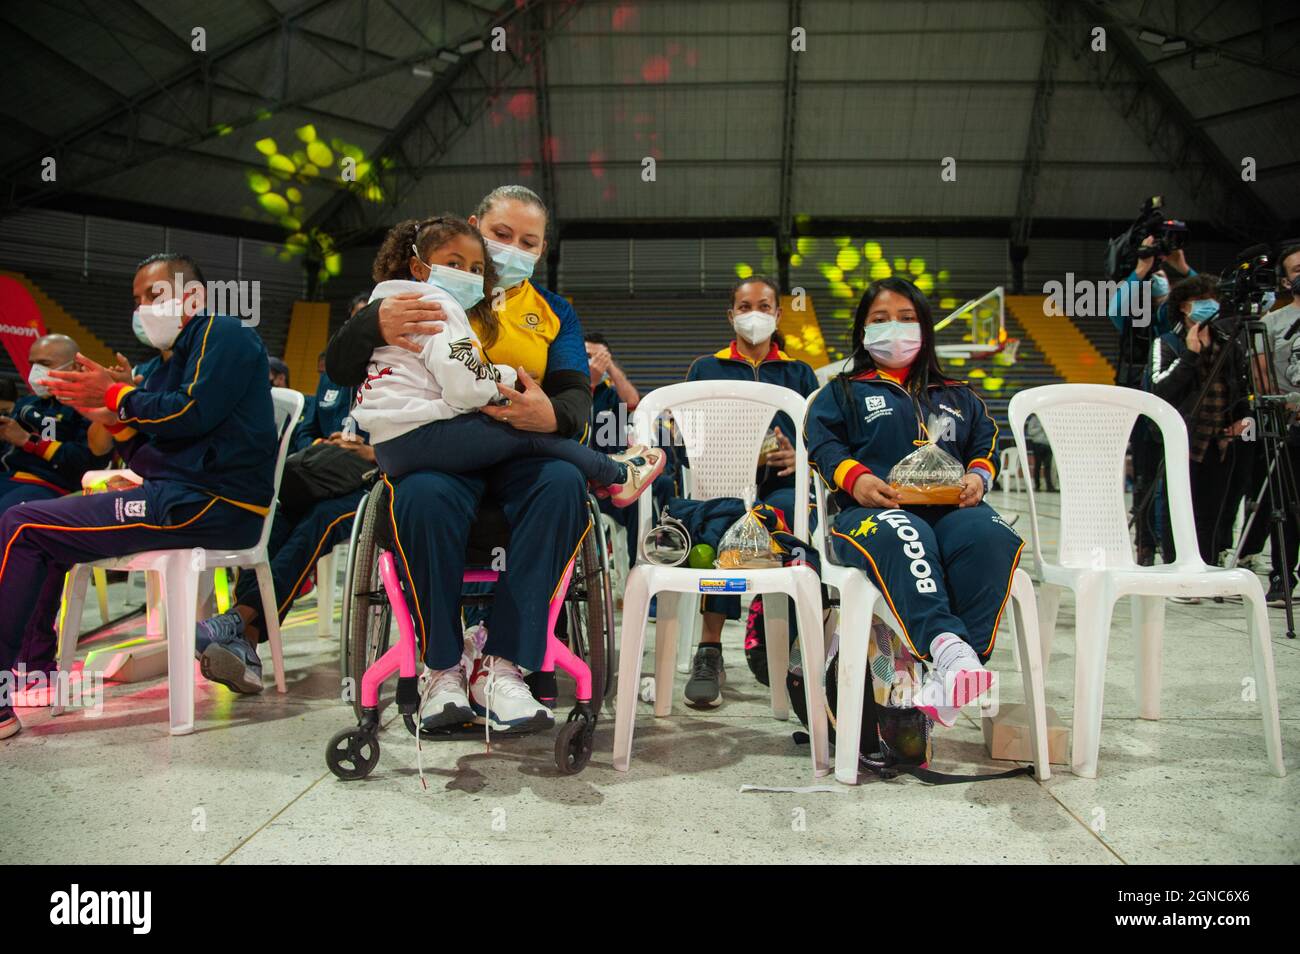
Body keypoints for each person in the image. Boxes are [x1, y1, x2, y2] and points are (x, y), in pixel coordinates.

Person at [325, 185, 597, 733]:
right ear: (475, 226)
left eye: (529, 242)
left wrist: (550, 416)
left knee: (565, 481)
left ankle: (502, 665)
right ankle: (441, 667)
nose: (511, 250)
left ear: (541, 251)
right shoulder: (422, 291)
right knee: (423, 497)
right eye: (500, 235)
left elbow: (573, 397)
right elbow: (339, 367)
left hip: (520, 450)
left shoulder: (553, 312)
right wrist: (369, 324)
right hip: (441, 452)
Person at [0, 253, 276, 740]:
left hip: (212, 505)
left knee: (23, 527)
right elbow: (144, 449)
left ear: (193, 295)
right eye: (137, 299)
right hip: (172, 497)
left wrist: (116, 397)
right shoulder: (158, 365)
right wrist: (107, 413)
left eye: (154, 295)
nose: (143, 307)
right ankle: (34, 666)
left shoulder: (224, 334)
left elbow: (191, 412)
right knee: (28, 523)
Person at [804, 276, 1020, 726]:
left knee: (992, 536)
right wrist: (856, 479)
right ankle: (950, 650)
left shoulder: (957, 394)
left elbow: (986, 442)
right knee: (909, 534)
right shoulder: (842, 392)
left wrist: (979, 476)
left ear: (924, 328)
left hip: (953, 511)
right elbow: (822, 445)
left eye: (906, 319)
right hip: (873, 514)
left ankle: (955, 671)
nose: (894, 329)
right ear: (862, 331)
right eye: (880, 320)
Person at [679, 276, 818, 707]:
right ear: (731, 315)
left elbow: (822, 440)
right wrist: (746, 455)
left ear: (777, 314)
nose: (753, 314)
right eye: (743, 306)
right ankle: (710, 649)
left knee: (788, 514)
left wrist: (802, 458)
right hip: (725, 487)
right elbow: (689, 448)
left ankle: (789, 638)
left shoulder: (798, 373)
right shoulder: (705, 369)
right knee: (728, 520)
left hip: (781, 494)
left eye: (763, 305)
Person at [1, 334, 110, 684]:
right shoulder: (26, 404)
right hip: (11, 480)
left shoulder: (84, 410)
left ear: (72, 365)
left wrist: (31, 442)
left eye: (44, 364)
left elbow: (87, 463)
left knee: (18, 529)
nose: (34, 370)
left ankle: (31, 658)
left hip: (56, 492)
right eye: (32, 361)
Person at [1149, 275, 1253, 580]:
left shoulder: (1228, 344)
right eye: (1203, 300)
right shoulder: (1168, 343)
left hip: (1219, 442)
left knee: (1213, 509)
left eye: (1214, 300)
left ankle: (1204, 568)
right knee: (1178, 509)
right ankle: (1175, 567)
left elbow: (1240, 385)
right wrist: (1190, 355)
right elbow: (1160, 390)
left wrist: (1243, 418)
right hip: (1183, 441)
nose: (1211, 306)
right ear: (1184, 306)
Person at [1109, 235, 1198, 565]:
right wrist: (1141, 270)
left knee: (1183, 476)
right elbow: (1116, 311)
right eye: (1155, 278)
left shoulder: (1174, 320)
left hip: (1185, 398)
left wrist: (1182, 268)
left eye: (1163, 278)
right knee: (1147, 475)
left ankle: (1188, 545)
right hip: (1140, 396)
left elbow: (1207, 299)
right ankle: (1146, 546)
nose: (1159, 281)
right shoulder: (1136, 320)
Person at [1023, 413, 1055, 492]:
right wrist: (1041, 428)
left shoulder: (1049, 418)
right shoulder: (1034, 419)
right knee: (1038, 465)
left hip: (1048, 444)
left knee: (1048, 467)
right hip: (1037, 444)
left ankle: (1049, 486)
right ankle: (1037, 486)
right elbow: (1030, 432)